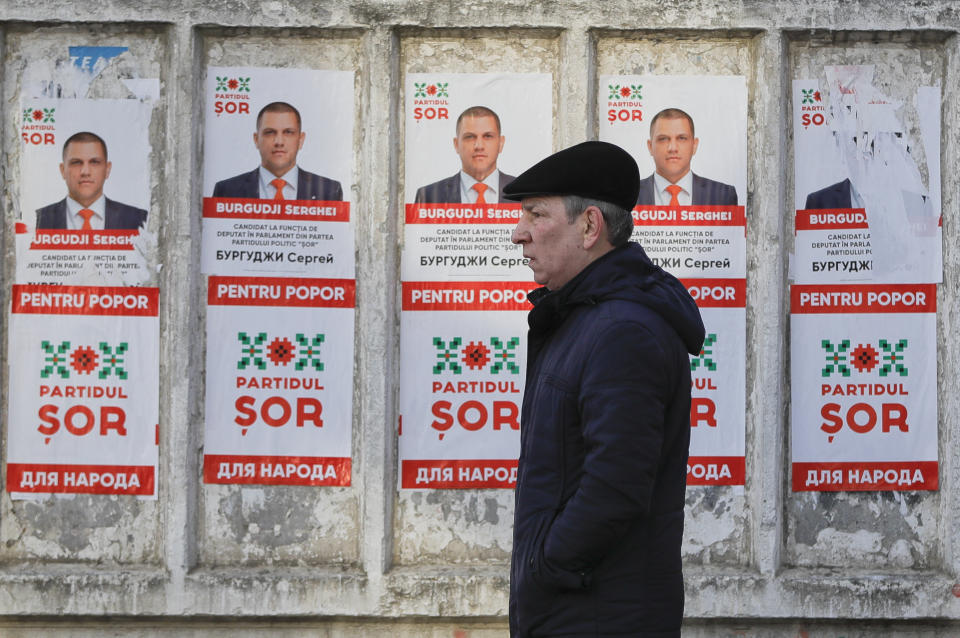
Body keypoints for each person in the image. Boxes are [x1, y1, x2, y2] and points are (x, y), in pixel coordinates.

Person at [504, 141, 705, 638]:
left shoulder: (622, 332)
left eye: (535, 214)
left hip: (599, 614)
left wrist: (546, 566)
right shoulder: (583, 319)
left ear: (590, 226)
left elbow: (614, 487)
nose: (518, 234)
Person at [213, 101, 343, 201]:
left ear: (300, 140)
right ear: (256, 139)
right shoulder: (227, 190)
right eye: (270, 132)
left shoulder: (329, 191)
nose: (279, 142)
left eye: (288, 132)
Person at [36, 131, 147, 230]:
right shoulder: (37, 221)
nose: (85, 172)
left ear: (107, 170)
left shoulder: (140, 220)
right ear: (63, 170)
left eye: (94, 162)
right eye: (76, 162)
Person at [636, 107, 738, 207]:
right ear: (650, 147)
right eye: (663, 139)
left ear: (694, 145)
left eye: (682, 138)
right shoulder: (627, 194)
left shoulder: (723, 195)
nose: (672, 148)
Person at [414, 105, 515, 204]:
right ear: (456, 144)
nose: (479, 146)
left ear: (501, 143)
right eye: (470, 137)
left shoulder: (525, 193)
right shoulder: (428, 196)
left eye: (488, 136)